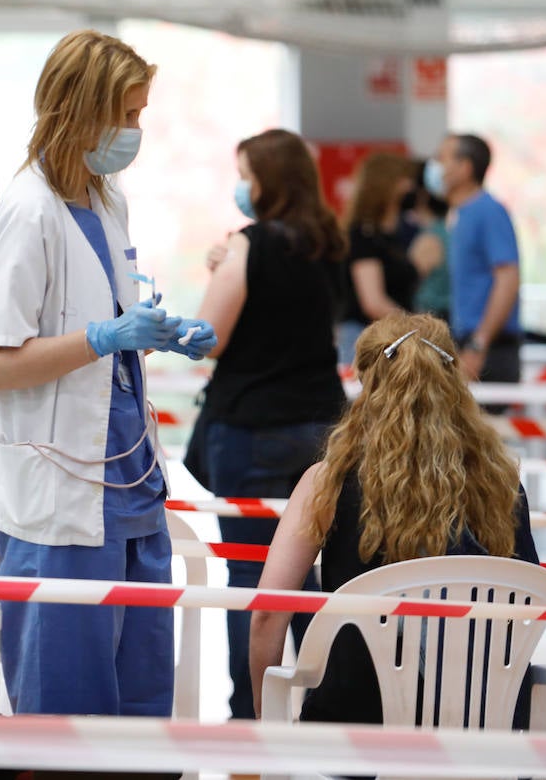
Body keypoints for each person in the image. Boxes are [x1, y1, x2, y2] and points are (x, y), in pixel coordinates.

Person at [0, 29, 216, 718]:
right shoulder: (26, 211)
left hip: (126, 475)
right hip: (59, 488)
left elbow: (101, 333)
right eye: (126, 115)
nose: (134, 131)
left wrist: (154, 336)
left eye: (139, 115)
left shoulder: (105, 201)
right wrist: (103, 337)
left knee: (141, 683)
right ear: (78, 109)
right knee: (67, 694)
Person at [249, 312, 539, 724]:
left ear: (366, 386)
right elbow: (530, 602)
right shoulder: (503, 486)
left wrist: (266, 713)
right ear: (454, 383)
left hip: (357, 724)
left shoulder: (326, 483)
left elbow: (268, 613)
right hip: (489, 724)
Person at [188, 128, 347, 720]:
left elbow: (211, 337)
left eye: (247, 175)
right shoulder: (329, 245)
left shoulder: (250, 244)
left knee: (252, 576)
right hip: (322, 426)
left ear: (269, 182)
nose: (242, 188)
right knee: (315, 574)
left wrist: (222, 266)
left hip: (252, 428)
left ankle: (252, 716)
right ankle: (327, 712)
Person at [427, 133, 522, 383]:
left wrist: (480, 343)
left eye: (442, 158)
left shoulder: (488, 211)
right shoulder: (459, 215)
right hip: (465, 341)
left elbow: (508, 279)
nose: (435, 166)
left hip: (489, 348)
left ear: (465, 167)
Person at [338, 152, 420, 363]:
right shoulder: (363, 237)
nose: (411, 187)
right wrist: (418, 327)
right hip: (368, 338)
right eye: (405, 180)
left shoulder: (399, 235)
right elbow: (373, 302)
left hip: (393, 336)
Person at [407, 162, 452, 321]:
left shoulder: (429, 239)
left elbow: (410, 283)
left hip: (430, 321)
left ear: (422, 195)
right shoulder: (447, 232)